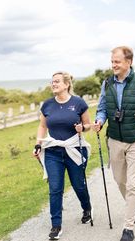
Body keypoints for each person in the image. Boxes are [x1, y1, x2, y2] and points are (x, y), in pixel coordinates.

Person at [93, 46, 135, 241]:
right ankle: (134, 204)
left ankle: (128, 228)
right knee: (119, 180)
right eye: (112, 61)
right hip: (114, 139)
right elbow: (102, 108)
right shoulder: (107, 84)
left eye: (117, 61)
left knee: (132, 184)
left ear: (128, 62)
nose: (113, 65)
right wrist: (99, 121)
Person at [33, 71, 93, 240]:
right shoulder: (47, 105)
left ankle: (87, 208)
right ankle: (56, 225)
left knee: (78, 185)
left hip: (75, 149)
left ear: (67, 84)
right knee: (55, 188)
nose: (54, 84)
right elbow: (42, 127)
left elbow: (88, 124)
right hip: (53, 151)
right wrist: (38, 144)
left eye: (57, 81)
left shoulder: (78, 103)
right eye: (52, 82)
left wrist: (83, 128)